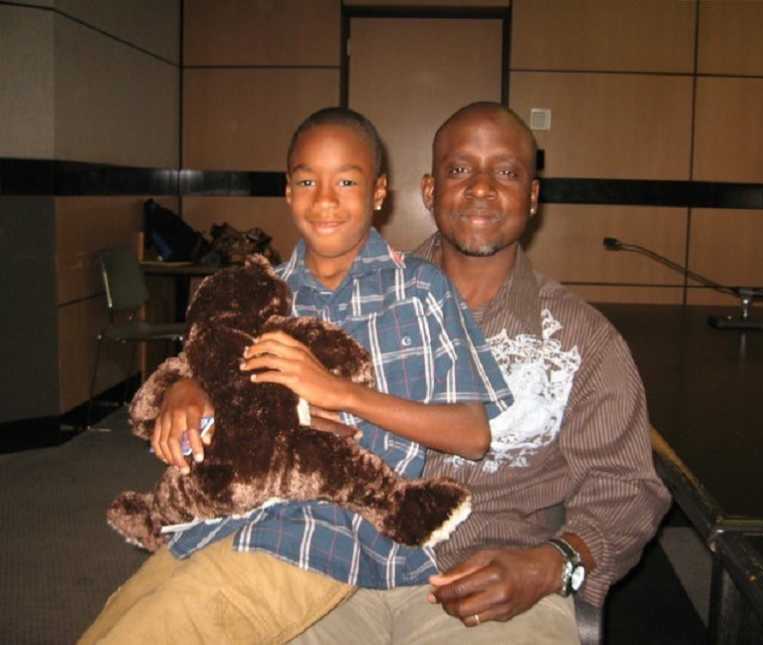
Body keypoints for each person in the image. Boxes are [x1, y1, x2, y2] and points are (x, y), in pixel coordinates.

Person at [79, 107, 513, 644]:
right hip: (224, 517)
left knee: (156, 631)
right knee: (120, 615)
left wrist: (340, 393)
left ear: (379, 192)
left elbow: (472, 435)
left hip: (326, 535)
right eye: (307, 180)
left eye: (346, 181)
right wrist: (186, 387)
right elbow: (214, 369)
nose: (325, 199)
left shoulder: (420, 289)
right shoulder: (262, 290)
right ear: (288, 192)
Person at [290, 102, 672, 644]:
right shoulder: (350, 294)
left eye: (508, 172)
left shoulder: (583, 338)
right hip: (337, 564)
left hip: (490, 585)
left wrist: (552, 562)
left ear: (533, 198)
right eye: (460, 169)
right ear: (429, 191)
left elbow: (627, 487)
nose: (482, 188)